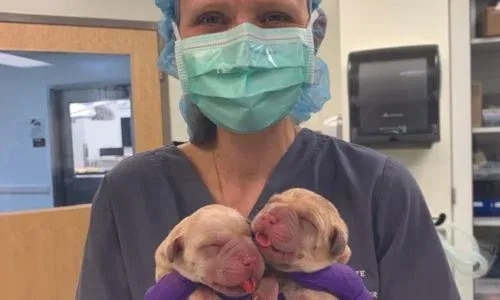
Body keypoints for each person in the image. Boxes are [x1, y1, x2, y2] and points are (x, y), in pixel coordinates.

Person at [76, 0, 462, 299]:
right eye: (211, 17)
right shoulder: (128, 194)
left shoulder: (379, 188)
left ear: (313, 34)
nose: (244, 41)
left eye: (274, 15)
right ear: (176, 41)